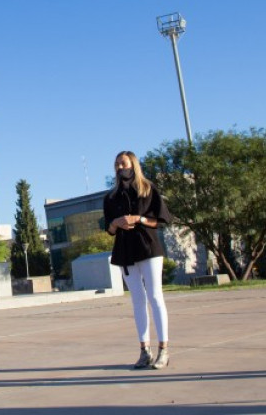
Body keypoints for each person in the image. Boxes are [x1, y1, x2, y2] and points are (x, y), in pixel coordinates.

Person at [104, 150, 173, 370]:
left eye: (122, 163)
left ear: (132, 164)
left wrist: (139, 218)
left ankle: (164, 349)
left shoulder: (148, 189)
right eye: (116, 164)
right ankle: (144, 350)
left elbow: (161, 219)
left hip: (148, 247)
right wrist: (116, 223)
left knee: (155, 296)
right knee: (137, 300)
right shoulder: (111, 197)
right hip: (125, 250)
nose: (119, 167)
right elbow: (109, 228)